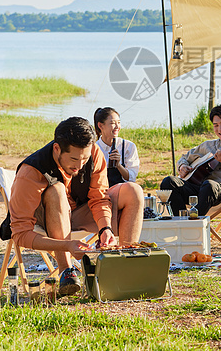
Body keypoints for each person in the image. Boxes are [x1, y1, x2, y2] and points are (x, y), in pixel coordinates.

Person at [9, 116, 144, 296]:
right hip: (44, 219)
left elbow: (99, 198)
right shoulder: (30, 172)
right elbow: (20, 234)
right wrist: (67, 246)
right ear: (57, 149)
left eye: (84, 159)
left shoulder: (93, 154)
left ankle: (126, 266)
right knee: (56, 190)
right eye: (74, 159)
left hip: (78, 213)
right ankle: (67, 273)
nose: (80, 166)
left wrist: (105, 228)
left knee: (133, 191)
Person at [160, 103, 221, 216]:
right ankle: (181, 221)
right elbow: (185, 158)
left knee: (209, 185)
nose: (220, 129)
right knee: (168, 182)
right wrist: (182, 166)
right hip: (200, 192)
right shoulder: (208, 145)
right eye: (215, 125)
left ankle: (195, 223)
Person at [94, 107, 139, 187]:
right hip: (101, 191)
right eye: (112, 123)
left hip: (123, 191)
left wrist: (118, 165)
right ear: (100, 126)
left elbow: (131, 179)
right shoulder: (94, 148)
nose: (117, 127)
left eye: (118, 122)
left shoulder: (128, 146)